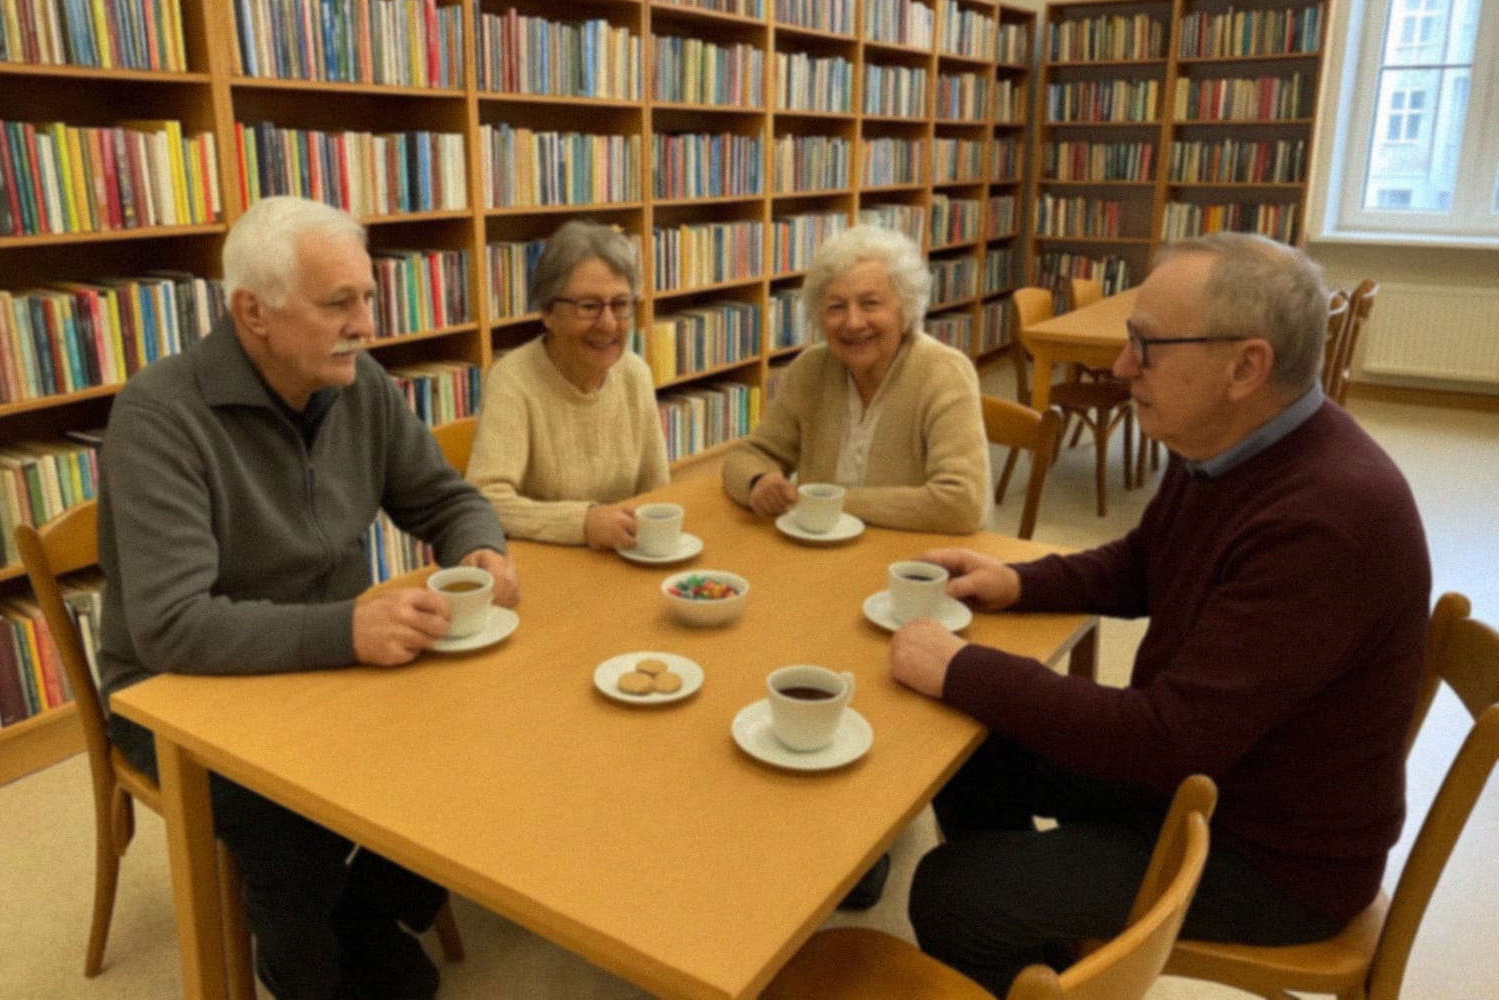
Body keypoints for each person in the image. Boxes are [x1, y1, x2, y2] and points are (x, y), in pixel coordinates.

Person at [889, 233, 1431, 996]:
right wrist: (1019, 582)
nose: (1120, 367)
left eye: (1147, 345)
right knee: (968, 744)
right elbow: (1145, 562)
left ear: (1247, 367)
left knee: (951, 889)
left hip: (1275, 855)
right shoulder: (1229, 443)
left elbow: (1165, 740)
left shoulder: (1329, 518)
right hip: (1212, 774)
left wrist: (963, 666)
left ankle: (1039, 951)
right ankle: (1054, 951)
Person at [97, 196, 519, 1000]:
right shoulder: (160, 415)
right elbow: (170, 626)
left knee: (488, 745)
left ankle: (362, 916)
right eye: (339, 304)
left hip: (332, 660)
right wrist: (348, 631)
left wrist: (480, 543)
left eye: (366, 297)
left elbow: (443, 497)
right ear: (253, 312)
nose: (367, 324)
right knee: (289, 832)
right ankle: (311, 968)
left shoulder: (358, 385)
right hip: (175, 692)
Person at [721, 223, 990, 534]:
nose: (853, 322)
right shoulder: (810, 369)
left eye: (870, 303)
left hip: (914, 560)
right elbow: (748, 455)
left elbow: (961, 504)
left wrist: (827, 502)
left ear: (905, 310)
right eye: (836, 307)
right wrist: (759, 481)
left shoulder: (944, 373)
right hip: (821, 551)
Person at [467, 220, 669, 548]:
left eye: (620, 304)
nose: (607, 324)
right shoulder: (512, 380)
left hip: (624, 560)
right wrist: (581, 522)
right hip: (545, 565)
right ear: (547, 312)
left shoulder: (636, 374)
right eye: (588, 306)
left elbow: (657, 491)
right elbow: (485, 500)